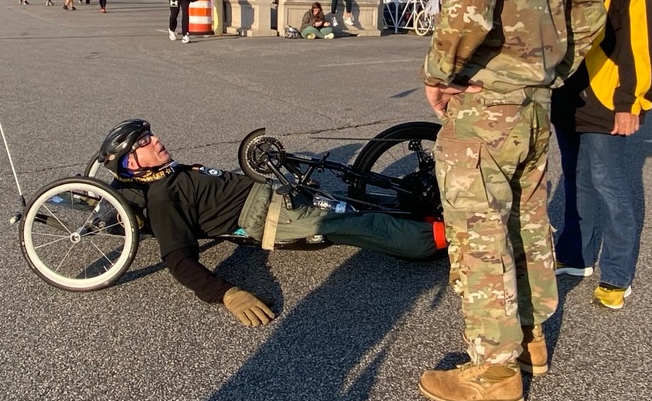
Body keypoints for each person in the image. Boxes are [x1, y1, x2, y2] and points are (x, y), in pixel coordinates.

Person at [417, 0, 606, 401]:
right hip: (533, 106)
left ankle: (494, 372)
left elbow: (470, 1)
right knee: (527, 222)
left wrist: (439, 73)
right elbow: (591, 17)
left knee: (479, 231)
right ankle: (529, 342)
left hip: (487, 102)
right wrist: (545, 72)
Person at [96, 119, 447, 326]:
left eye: (151, 134)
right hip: (275, 216)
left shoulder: (165, 173)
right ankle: (453, 238)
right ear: (130, 164)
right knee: (361, 225)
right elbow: (177, 258)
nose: (156, 139)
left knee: (361, 202)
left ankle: (430, 214)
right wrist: (227, 294)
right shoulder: (161, 198)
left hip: (276, 193)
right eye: (144, 142)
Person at [550, 0, 652, 314]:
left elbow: (643, 38)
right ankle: (576, 255)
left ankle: (616, 274)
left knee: (609, 184)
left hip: (606, 94)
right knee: (575, 179)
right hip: (566, 92)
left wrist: (631, 102)